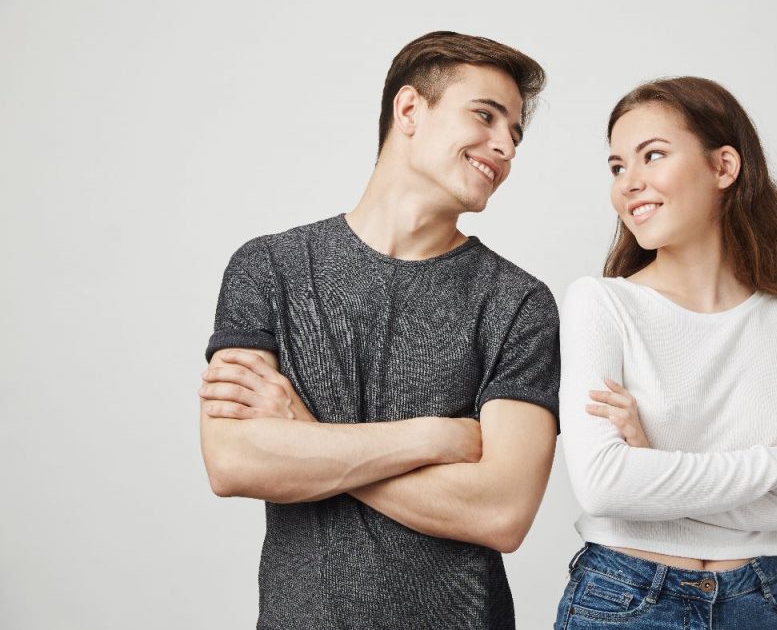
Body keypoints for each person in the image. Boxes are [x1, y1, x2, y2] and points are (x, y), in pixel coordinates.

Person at [197, 31, 560, 630]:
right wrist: (432, 439)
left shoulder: (518, 303)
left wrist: (308, 436)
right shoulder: (269, 268)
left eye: (515, 134)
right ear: (411, 109)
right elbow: (235, 462)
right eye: (486, 116)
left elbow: (502, 512)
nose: (505, 147)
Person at [554, 77, 777, 629]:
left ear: (724, 167)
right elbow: (604, 486)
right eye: (617, 166)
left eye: (652, 156)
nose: (629, 183)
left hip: (757, 602)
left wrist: (654, 461)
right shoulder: (601, 304)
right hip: (626, 598)